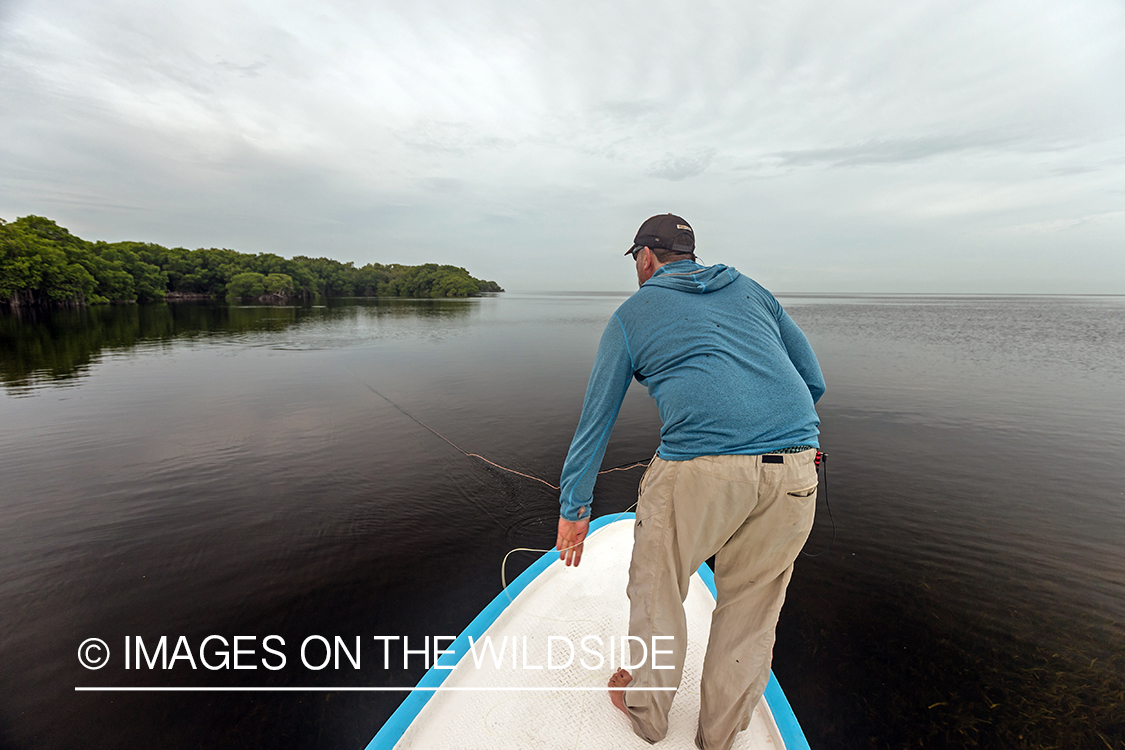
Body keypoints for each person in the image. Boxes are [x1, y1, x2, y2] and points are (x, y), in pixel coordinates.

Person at [554, 213, 825, 750]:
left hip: (697, 472)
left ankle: (648, 716)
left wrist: (574, 507)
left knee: (657, 591)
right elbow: (811, 381)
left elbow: (596, 421)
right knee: (752, 611)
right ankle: (720, 738)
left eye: (636, 258)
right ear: (691, 255)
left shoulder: (632, 315)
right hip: (798, 466)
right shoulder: (754, 292)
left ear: (646, 257)